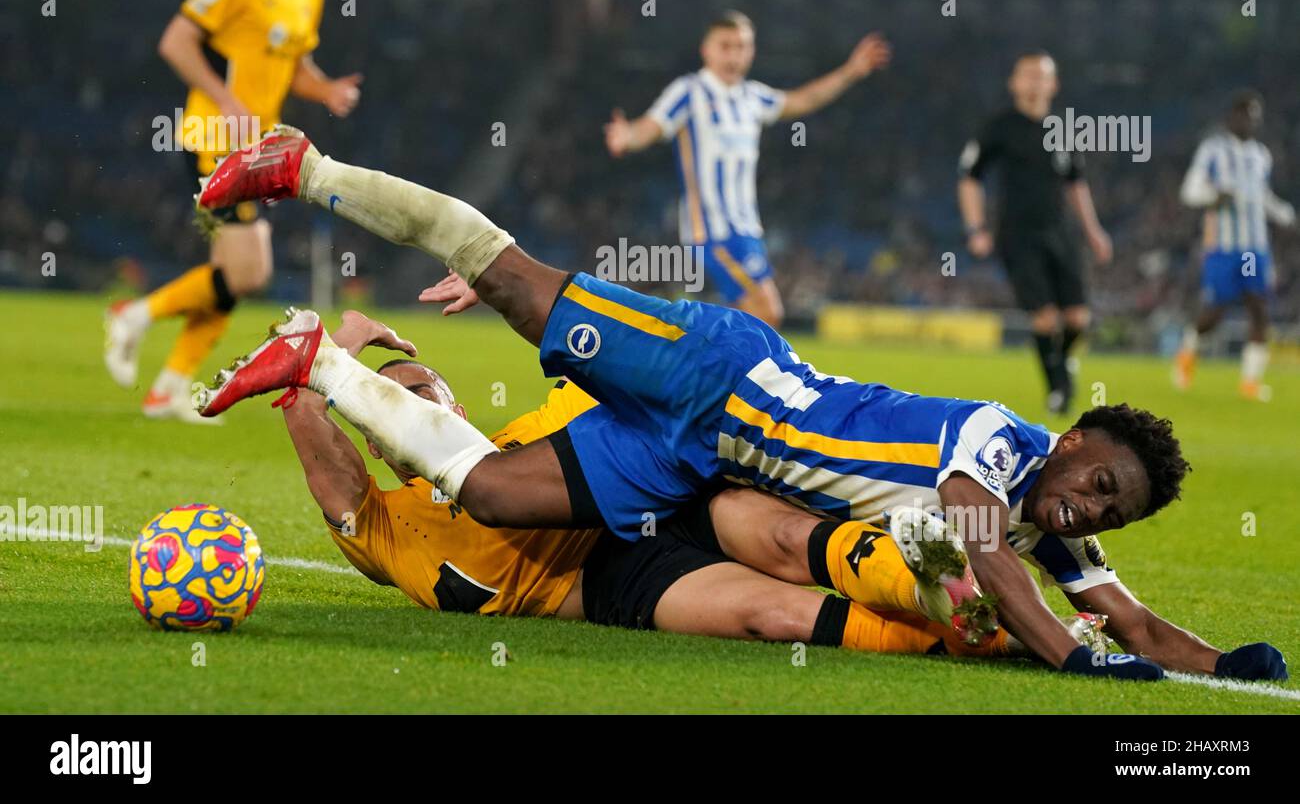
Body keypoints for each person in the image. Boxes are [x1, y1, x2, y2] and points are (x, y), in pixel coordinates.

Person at [194, 126, 1286, 684]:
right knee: (511, 277)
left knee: (486, 493)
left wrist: (1216, 663)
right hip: (719, 376)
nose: (1090, 512)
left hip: (687, 462)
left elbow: (1130, 617)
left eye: (1110, 514)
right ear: (1078, 439)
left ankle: (314, 368)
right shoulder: (1000, 449)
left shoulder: (1042, 517)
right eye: (1099, 484)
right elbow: (983, 552)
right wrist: (1076, 657)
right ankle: (308, 167)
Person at [282, 310, 1043, 657]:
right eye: (392, 407)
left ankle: (942, 586)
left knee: (776, 533)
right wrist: (337, 345)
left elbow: (623, 347)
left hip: (668, 508)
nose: (414, 405)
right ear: (378, 445)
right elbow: (316, 437)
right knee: (772, 616)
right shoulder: (386, 527)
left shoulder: (534, 437)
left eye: (424, 392)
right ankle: (974, 632)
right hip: (611, 577)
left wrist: (511, 294)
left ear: (458, 405)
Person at [103, 0, 362, 422]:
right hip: (216, 140)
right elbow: (175, 41)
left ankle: (168, 387)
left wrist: (326, 88)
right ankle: (133, 315)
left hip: (258, 148)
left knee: (233, 277)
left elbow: (294, 67)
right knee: (248, 272)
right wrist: (224, 100)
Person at [604, 10, 891, 326]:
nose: (734, 55)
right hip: (712, 232)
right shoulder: (690, 91)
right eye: (725, 46)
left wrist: (851, 70)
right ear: (706, 50)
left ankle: (697, 362)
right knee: (766, 313)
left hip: (747, 230)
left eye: (741, 46)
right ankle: (684, 360)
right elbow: (652, 125)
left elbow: (803, 100)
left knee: (749, 322)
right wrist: (627, 136)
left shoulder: (752, 97)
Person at [957, 51, 1112, 414]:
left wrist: (1093, 231)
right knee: (1044, 317)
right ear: (1013, 83)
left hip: (1061, 233)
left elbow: (1076, 184)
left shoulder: (1063, 130)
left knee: (1078, 318)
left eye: (1041, 76)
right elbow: (969, 178)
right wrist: (976, 227)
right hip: (1018, 235)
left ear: (1053, 84)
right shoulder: (998, 127)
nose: (1033, 82)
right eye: (1026, 75)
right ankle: (1058, 388)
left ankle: (1062, 363)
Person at [1173, 90, 1296, 401]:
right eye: (1245, 114)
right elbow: (1190, 190)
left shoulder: (1261, 155)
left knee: (1258, 306)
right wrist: (1214, 196)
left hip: (1253, 249)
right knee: (1215, 311)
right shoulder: (1213, 149)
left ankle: (1250, 382)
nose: (1251, 121)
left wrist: (1284, 214)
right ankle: (1188, 353)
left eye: (1256, 116)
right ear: (1232, 117)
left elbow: (1262, 196)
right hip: (1224, 247)